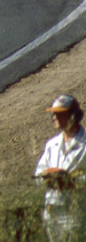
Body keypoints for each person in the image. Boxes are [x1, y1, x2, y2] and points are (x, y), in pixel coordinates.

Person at [35, 94, 86, 242]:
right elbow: (38, 173)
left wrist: (71, 182)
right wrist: (46, 178)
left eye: (60, 113)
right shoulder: (52, 145)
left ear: (74, 116)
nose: (54, 117)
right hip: (52, 210)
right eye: (53, 113)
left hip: (75, 212)